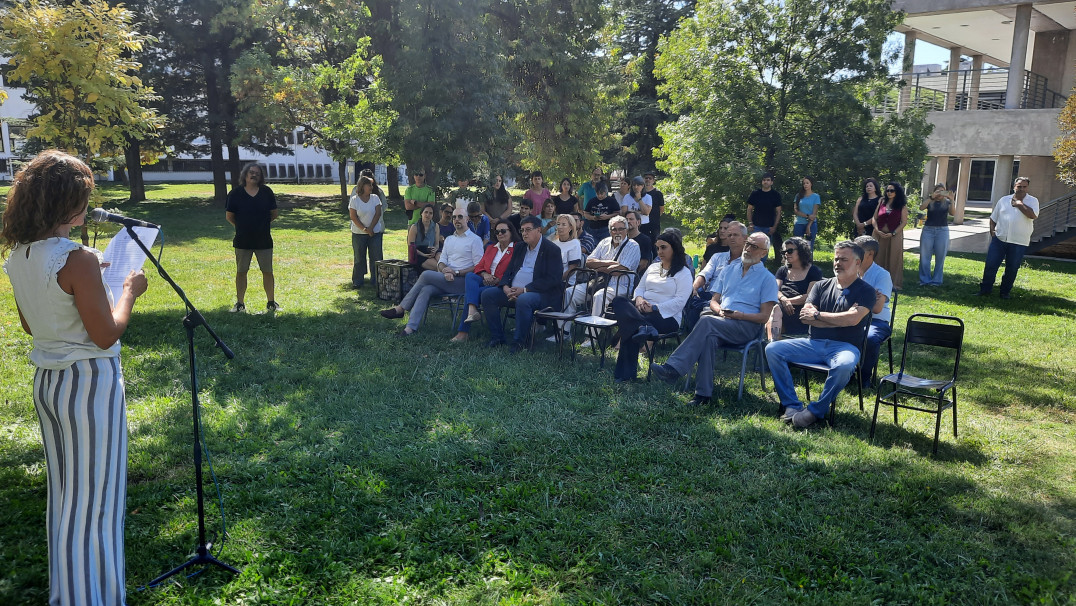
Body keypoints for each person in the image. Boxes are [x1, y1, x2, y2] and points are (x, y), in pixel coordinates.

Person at [2, 150, 150, 605]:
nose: (88, 206)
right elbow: (105, 335)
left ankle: (72, 593)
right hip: (89, 385)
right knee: (98, 503)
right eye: (83, 198)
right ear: (66, 202)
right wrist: (128, 293)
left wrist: (87, 285)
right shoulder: (78, 258)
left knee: (66, 498)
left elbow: (32, 325)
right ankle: (90, 598)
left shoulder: (20, 255)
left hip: (49, 384)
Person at [650, 232, 778, 405]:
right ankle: (703, 396)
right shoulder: (729, 270)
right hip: (722, 321)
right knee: (709, 338)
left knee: (706, 321)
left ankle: (673, 369)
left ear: (764, 253)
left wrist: (739, 315)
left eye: (754, 247)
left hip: (747, 327)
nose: (748, 249)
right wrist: (719, 310)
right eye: (748, 243)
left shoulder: (768, 278)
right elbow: (713, 300)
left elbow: (764, 317)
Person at [764, 241, 876, 428]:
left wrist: (818, 315)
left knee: (844, 366)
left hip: (845, 347)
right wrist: (840, 318)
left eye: (844, 259)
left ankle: (815, 411)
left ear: (858, 263)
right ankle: (791, 405)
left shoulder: (866, 291)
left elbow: (852, 320)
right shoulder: (821, 286)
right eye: (836, 259)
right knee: (773, 349)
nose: (837, 263)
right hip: (813, 343)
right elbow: (805, 318)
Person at [379, 208, 484, 335]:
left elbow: (479, 267)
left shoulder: (475, 240)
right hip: (446, 279)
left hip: (463, 282)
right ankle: (410, 328)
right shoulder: (450, 239)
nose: (456, 219)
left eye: (460, 217)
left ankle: (401, 308)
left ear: (467, 219)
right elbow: (442, 260)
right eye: (454, 217)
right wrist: (444, 270)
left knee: (426, 275)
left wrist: (456, 272)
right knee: (426, 289)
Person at [611, 232, 693, 383]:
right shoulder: (653, 267)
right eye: (658, 248)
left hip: (666, 317)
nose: (659, 252)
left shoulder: (684, 272)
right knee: (619, 301)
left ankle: (624, 375)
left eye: (664, 247)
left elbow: (680, 301)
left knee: (630, 325)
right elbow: (640, 288)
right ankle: (645, 327)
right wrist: (639, 299)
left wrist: (655, 308)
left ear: (674, 248)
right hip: (642, 311)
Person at [481, 216, 565, 352]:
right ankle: (497, 337)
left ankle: (520, 342)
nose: (524, 233)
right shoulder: (520, 247)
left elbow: (553, 279)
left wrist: (525, 290)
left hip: (542, 295)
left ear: (539, 230)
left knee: (524, 300)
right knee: (487, 295)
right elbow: (509, 271)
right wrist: (505, 287)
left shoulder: (552, 249)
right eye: (522, 230)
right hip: (514, 291)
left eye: (528, 230)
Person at [561, 216, 641, 340]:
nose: (617, 232)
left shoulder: (633, 246)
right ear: (609, 231)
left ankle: (591, 337)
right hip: (598, 282)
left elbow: (618, 271)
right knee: (570, 292)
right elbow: (588, 262)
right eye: (614, 229)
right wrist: (609, 264)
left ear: (626, 230)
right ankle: (564, 333)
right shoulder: (604, 242)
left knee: (600, 296)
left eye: (621, 229)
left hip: (620, 286)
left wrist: (600, 267)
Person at [450, 220, 520, 343]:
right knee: (470, 276)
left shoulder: (517, 249)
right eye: (497, 232)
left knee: (472, 294)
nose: (500, 234)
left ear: (511, 232)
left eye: (503, 231)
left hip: (501, 285)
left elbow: (515, 270)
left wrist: (498, 280)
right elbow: (479, 266)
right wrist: (485, 274)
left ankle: (463, 332)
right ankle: (472, 310)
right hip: (485, 280)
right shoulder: (491, 248)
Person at [226, 162, 279, 312]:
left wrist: (260, 225)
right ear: (245, 175)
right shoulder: (235, 194)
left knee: (267, 271)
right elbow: (229, 216)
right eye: (251, 172)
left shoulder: (267, 192)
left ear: (261, 176)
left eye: (257, 173)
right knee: (241, 272)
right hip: (242, 240)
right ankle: (240, 304)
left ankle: (271, 303)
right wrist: (242, 227)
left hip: (264, 239)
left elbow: (274, 214)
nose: (254, 175)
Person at [976, 177, 1039, 299]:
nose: (1021, 189)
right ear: (1014, 186)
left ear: (1027, 188)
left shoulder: (1033, 201)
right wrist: (992, 232)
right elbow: (993, 218)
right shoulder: (1004, 200)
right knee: (991, 265)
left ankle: (1004, 292)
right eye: (1019, 186)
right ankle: (985, 290)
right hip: (999, 239)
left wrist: (1020, 204)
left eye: (1024, 187)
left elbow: (1032, 215)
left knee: (1012, 268)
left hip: (1019, 241)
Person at [686, 221, 747, 329]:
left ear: (745, 238)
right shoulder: (718, 257)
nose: (731, 238)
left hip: (728, 298)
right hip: (709, 294)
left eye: (735, 235)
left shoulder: (748, 263)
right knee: (690, 297)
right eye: (729, 235)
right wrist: (694, 287)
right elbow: (704, 274)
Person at [852, 235, 894, 388]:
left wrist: (856, 300)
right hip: (853, 317)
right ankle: (843, 372)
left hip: (876, 321)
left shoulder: (882, 275)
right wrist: (868, 297)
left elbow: (876, 308)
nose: (853, 254)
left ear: (870, 254)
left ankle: (863, 379)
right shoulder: (851, 272)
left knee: (868, 337)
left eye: (857, 250)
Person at [767, 236, 823, 339]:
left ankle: (773, 342)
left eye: (790, 251)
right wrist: (784, 300)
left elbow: (809, 297)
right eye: (784, 252)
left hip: (801, 309)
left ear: (801, 251)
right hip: (781, 306)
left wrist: (788, 302)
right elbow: (774, 290)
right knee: (774, 308)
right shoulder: (782, 270)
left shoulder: (814, 271)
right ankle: (772, 343)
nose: (786, 254)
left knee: (776, 308)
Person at [348, 175, 385, 290]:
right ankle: (358, 280)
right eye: (369, 185)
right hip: (358, 234)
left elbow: (378, 213)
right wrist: (364, 229)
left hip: (375, 233)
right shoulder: (355, 200)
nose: (371, 187)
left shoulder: (375, 198)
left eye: (372, 185)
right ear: (362, 185)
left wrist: (371, 228)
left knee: (376, 256)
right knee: (359, 257)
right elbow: (353, 217)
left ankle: (376, 280)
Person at [870, 181, 908, 289]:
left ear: (897, 192)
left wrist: (893, 233)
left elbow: (904, 222)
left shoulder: (902, 206)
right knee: (877, 256)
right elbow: (874, 218)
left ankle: (893, 283)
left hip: (894, 234)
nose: (889, 193)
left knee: (893, 257)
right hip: (879, 233)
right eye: (887, 190)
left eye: (892, 190)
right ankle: (875, 281)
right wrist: (877, 230)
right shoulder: (881, 202)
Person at [918, 184, 955, 286]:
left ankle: (937, 280)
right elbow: (921, 207)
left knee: (940, 256)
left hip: (942, 231)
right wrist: (931, 197)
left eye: (943, 191)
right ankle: (925, 280)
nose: (940, 194)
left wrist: (952, 200)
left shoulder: (947, 202)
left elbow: (953, 213)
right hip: (928, 230)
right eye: (938, 191)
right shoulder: (930, 201)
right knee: (925, 256)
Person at [747, 172, 782, 247]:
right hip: (755, 226)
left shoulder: (776, 195)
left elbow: (778, 212)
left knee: (765, 249)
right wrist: (750, 223)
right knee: (753, 247)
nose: (765, 182)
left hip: (769, 227)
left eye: (768, 180)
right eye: (764, 180)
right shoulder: (755, 194)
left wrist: (774, 227)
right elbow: (749, 209)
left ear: (771, 182)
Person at [407, 203, 443, 272]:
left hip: (431, 251)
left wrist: (434, 250)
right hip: (418, 253)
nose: (428, 215)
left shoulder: (435, 226)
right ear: (421, 213)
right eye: (426, 212)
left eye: (430, 213)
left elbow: (436, 244)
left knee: (443, 262)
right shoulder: (414, 227)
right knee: (437, 267)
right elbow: (411, 247)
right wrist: (424, 255)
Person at [791, 176, 820, 247]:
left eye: (807, 183)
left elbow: (814, 214)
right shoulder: (798, 196)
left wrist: (808, 226)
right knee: (797, 246)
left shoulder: (816, 197)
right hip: (799, 223)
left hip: (811, 224)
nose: (805, 185)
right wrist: (807, 216)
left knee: (809, 246)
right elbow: (796, 210)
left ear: (811, 184)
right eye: (804, 183)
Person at [642, 171, 665, 241]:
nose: (648, 180)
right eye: (646, 178)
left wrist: (655, 217)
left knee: (655, 241)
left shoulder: (658, 193)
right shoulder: (640, 193)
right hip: (642, 222)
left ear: (653, 181)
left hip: (654, 223)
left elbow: (661, 209)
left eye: (650, 178)